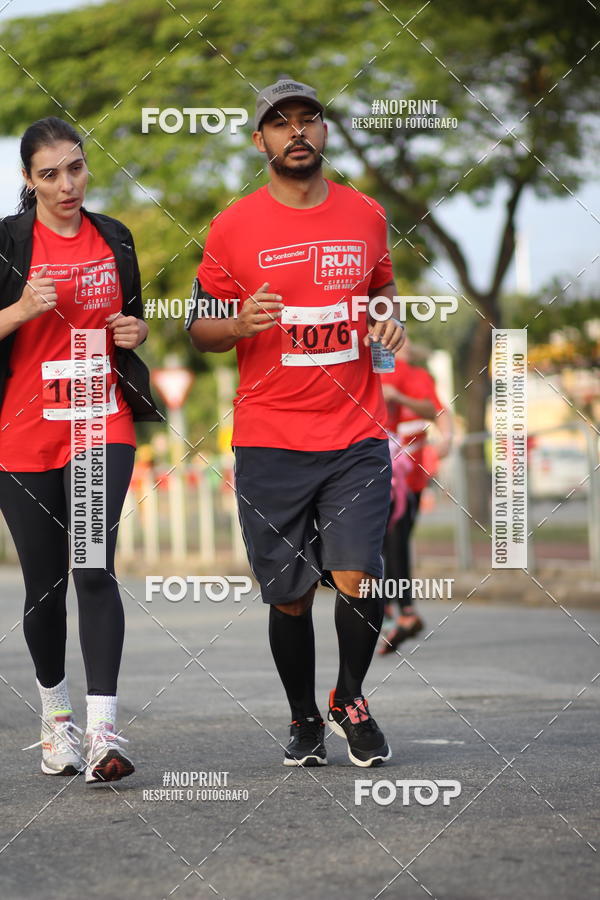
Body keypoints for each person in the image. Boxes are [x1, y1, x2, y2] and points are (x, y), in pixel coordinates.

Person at [187, 77, 405, 768]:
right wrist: (236, 323)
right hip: (270, 438)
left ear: (325, 131)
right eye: (281, 124)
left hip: (356, 431)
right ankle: (304, 716)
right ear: (262, 140)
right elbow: (198, 329)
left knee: (359, 576)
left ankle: (350, 697)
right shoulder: (233, 225)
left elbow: (381, 289)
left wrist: (387, 320)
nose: (297, 132)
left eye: (309, 119)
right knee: (288, 597)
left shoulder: (366, 214)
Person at [0, 117, 160, 782]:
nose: (68, 184)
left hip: (100, 422)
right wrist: (17, 311)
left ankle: (103, 732)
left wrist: (136, 329)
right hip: (23, 430)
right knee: (45, 585)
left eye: (76, 167)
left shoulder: (113, 237)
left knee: (92, 568)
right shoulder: (8, 244)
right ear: (28, 181)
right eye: (50, 174)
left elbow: (134, 319)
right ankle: (55, 719)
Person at [378, 338, 453, 653]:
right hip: (378, 466)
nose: (401, 344)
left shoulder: (415, 375)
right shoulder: (374, 368)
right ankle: (397, 612)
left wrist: (447, 437)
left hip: (408, 473)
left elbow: (436, 410)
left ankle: (401, 612)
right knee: (384, 542)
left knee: (394, 539)